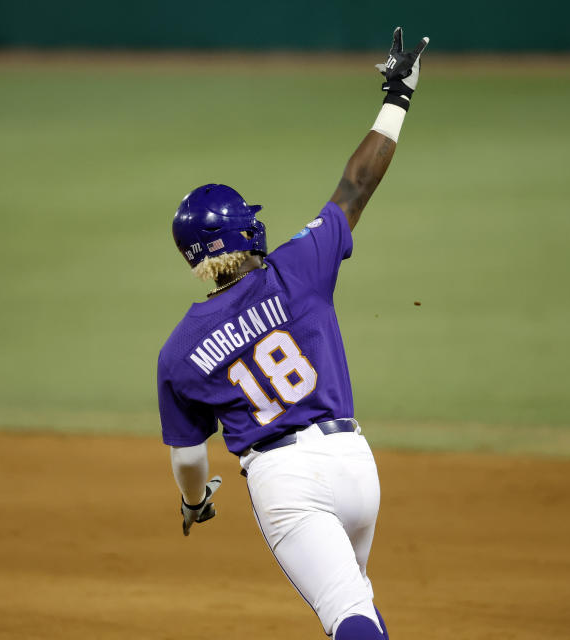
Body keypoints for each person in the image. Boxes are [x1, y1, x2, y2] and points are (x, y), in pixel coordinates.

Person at [157, 27, 429, 640]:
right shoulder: (300, 264)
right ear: (240, 235)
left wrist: (196, 503)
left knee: (348, 616)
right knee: (356, 602)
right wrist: (398, 95)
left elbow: (188, 458)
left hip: (286, 484)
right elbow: (357, 185)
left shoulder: (179, 352)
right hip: (356, 465)